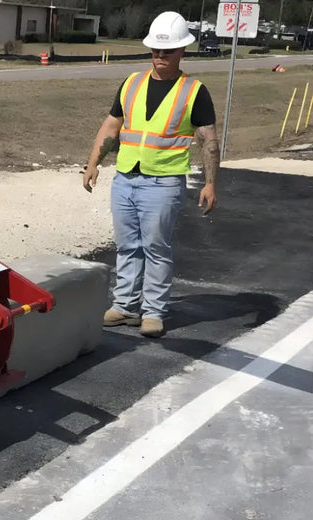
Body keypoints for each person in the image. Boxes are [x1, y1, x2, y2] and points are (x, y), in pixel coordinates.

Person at [82, 11, 220, 338]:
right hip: (126, 178)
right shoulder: (132, 83)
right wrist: (93, 163)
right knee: (127, 245)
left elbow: (209, 140)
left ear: (182, 50)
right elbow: (112, 126)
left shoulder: (194, 91)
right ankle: (125, 306)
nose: (160, 56)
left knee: (156, 248)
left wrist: (211, 183)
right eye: (155, 50)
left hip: (163, 182)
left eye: (167, 51)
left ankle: (153, 311)